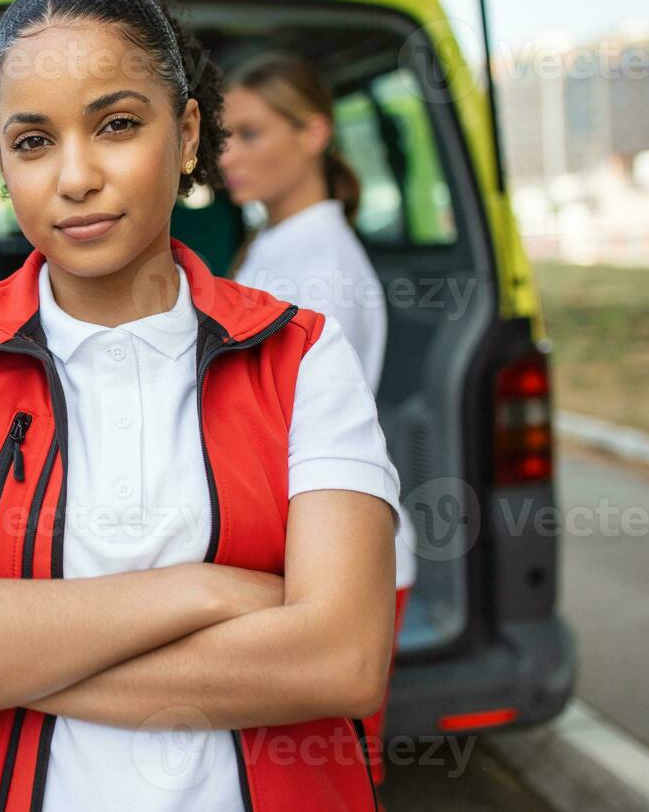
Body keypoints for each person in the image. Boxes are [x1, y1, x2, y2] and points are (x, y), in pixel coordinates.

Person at [0, 0, 402, 811]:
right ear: (0, 161)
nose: (76, 176)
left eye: (118, 125)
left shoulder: (301, 353)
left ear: (189, 131)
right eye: (32, 142)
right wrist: (209, 590)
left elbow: (340, 660)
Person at [223, 51, 416, 789]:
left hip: (330, 566)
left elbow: (281, 437)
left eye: (250, 134)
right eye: (224, 138)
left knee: (323, 784)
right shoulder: (279, 245)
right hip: (303, 556)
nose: (229, 155)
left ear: (313, 134)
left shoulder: (319, 267)